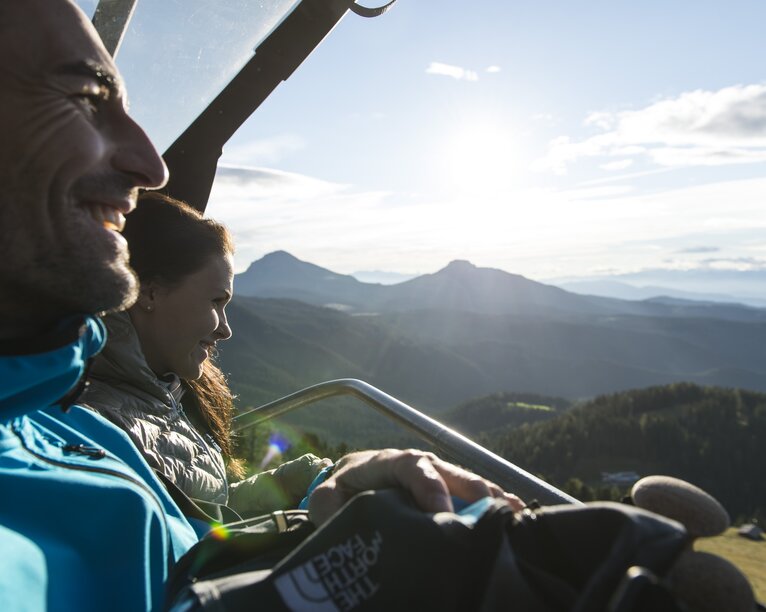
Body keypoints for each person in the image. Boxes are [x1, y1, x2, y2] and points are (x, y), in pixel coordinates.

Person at [0, 1, 521, 610]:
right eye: (86, 95)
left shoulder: (49, 426)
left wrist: (324, 495)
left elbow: (193, 547)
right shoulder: (82, 422)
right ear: (151, 294)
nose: (152, 165)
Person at [80, 193, 331, 521]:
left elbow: (203, 514)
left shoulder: (158, 396)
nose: (226, 330)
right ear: (149, 292)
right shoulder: (101, 426)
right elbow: (188, 549)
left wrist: (297, 479)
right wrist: (299, 522)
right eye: (216, 301)